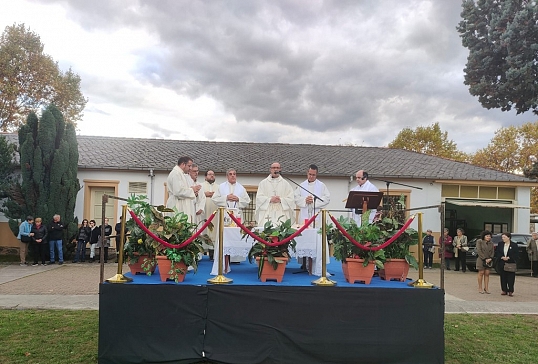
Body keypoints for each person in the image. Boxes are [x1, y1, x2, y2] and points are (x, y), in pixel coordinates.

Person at [211, 168, 252, 275]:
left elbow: (247, 201)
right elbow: (214, 199)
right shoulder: (221, 187)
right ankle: (224, 265)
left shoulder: (241, 188)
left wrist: (238, 199)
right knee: (224, 239)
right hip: (225, 215)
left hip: (237, 216)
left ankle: (235, 259)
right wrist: (226, 197)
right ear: (227, 176)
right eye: (230, 174)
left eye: (234, 174)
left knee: (234, 238)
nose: (233, 176)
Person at [166, 156, 200, 222]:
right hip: (177, 204)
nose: (190, 168)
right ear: (183, 164)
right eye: (189, 166)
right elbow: (177, 192)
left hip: (181, 203)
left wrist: (191, 190)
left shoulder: (180, 174)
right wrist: (192, 190)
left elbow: (181, 188)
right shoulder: (176, 174)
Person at [496, 232, 518, 296]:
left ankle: (510, 290)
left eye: (504, 237)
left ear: (509, 238)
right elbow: (497, 252)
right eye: (502, 237)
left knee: (511, 277)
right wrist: (502, 257)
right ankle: (504, 290)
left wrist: (509, 258)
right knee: (503, 277)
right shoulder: (500, 244)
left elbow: (516, 254)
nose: (503, 238)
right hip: (502, 262)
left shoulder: (514, 245)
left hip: (510, 263)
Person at [202, 170, 218, 259]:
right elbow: (197, 196)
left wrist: (214, 195)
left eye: (213, 174)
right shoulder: (201, 186)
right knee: (204, 230)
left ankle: (213, 252)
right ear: (205, 177)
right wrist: (204, 194)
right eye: (209, 174)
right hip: (204, 213)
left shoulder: (219, 187)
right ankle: (203, 251)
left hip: (215, 213)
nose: (212, 176)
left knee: (214, 231)